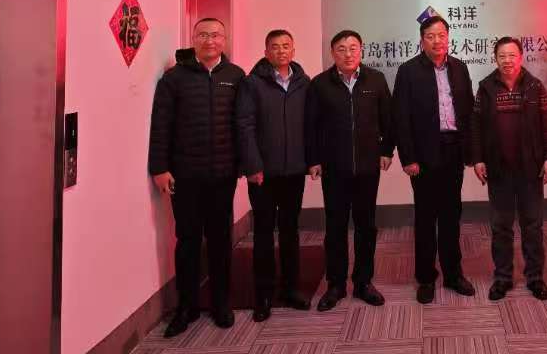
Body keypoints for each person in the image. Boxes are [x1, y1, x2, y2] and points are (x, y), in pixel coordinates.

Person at [148, 18, 245, 338]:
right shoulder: (174, 78)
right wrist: (159, 168)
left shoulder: (235, 76)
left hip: (223, 175)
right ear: (193, 39)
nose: (210, 40)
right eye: (203, 35)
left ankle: (221, 303)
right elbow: (160, 125)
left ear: (224, 40)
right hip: (185, 176)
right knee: (187, 241)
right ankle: (186, 306)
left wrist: (244, 165)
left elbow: (243, 124)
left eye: (216, 35)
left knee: (220, 240)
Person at [308, 29, 393, 311]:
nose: (348, 54)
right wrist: (314, 159)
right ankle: (335, 284)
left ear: (361, 50)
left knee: (366, 227)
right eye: (341, 49)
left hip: (368, 168)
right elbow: (311, 126)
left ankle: (363, 282)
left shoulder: (375, 79)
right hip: (334, 168)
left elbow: (388, 119)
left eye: (353, 48)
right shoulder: (320, 84)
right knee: (335, 227)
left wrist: (386, 150)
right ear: (333, 53)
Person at [393, 15, 476, 304]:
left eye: (441, 35)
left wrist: (471, 152)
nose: (437, 40)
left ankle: (453, 273)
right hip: (424, 154)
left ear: (448, 38)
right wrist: (408, 157)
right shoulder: (408, 71)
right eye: (430, 36)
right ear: (422, 41)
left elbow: (468, 111)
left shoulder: (460, 67)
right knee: (426, 216)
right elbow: (401, 117)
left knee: (452, 214)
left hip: (453, 150)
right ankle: (426, 277)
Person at [471, 37, 547, 301]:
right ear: (495, 59)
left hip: (530, 168)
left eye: (512, 55)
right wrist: (478, 159)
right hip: (499, 169)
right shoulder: (486, 87)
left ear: (521, 57)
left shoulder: (534, 85)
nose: (507, 61)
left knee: (532, 225)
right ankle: (503, 278)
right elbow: (476, 127)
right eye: (502, 56)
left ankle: (535, 277)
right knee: (501, 227)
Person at [235, 29, 312, 322]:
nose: (281, 51)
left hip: (294, 171)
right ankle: (263, 295)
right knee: (264, 234)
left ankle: (291, 289)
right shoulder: (252, 83)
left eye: (286, 46)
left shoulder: (303, 83)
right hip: (263, 174)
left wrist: (311, 161)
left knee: (291, 231)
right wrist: (252, 166)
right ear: (266, 52)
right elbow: (244, 126)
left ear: (293, 50)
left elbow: (311, 124)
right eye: (275, 47)